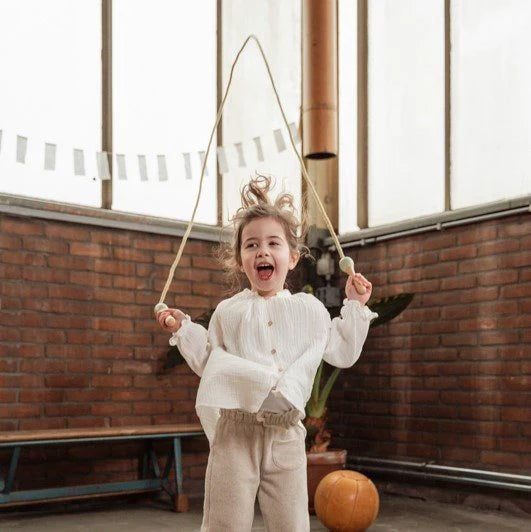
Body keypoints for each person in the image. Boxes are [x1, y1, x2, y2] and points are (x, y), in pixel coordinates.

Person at [157, 174, 377, 532]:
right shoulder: (229, 311)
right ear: (240, 259)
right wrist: (183, 328)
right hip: (236, 434)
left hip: (285, 434)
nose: (262, 251)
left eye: (274, 243)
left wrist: (355, 305)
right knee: (225, 524)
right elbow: (210, 363)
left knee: (291, 525)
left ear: (292, 257)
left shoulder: (309, 310)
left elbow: (343, 352)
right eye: (251, 245)